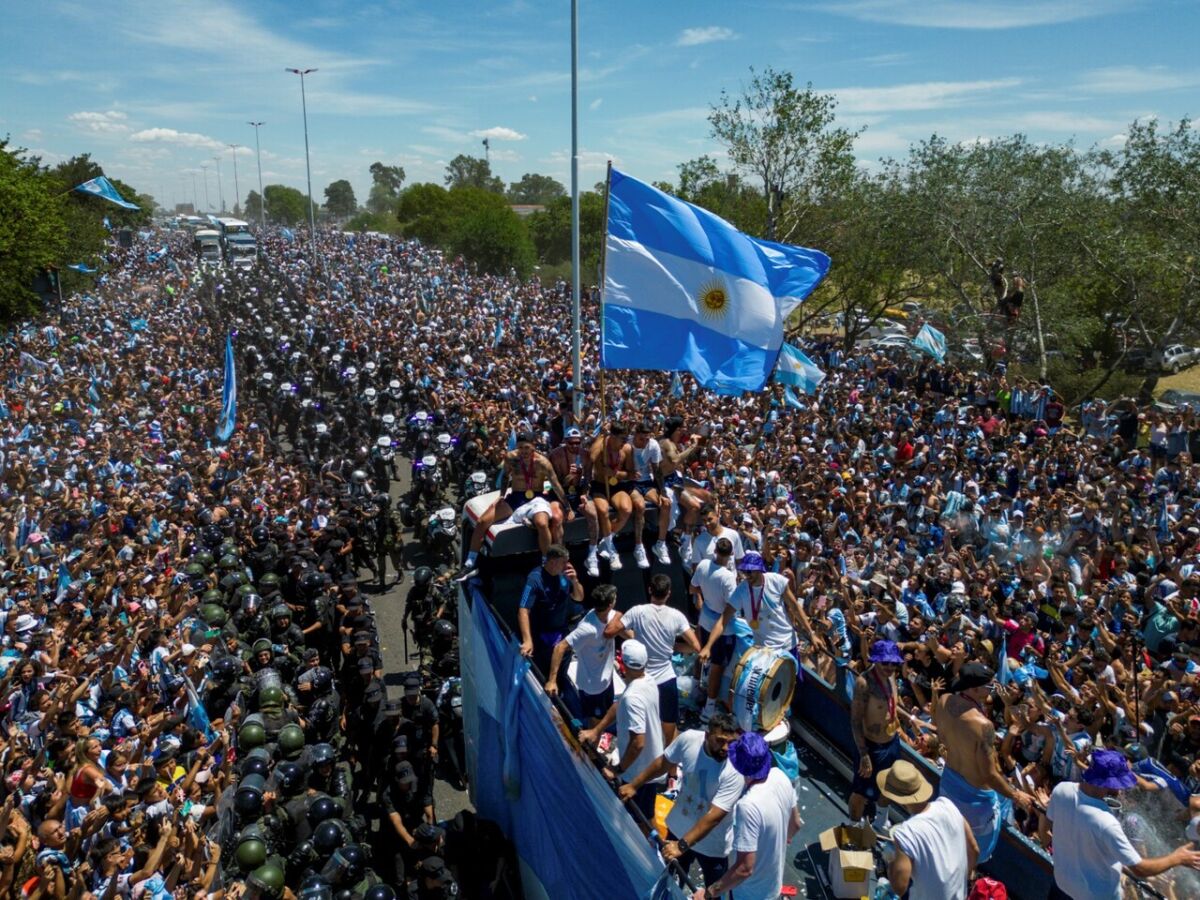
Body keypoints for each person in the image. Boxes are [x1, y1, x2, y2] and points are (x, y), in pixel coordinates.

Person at [1040, 749, 1200, 899]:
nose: (1120, 789)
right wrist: (1177, 858)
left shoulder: (1062, 789)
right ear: (1109, 782)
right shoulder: (1107, 822)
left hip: (1060, 886)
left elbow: (1045, 831)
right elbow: (1140, 869)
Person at [618, 712, 743, 887]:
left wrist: (681, 846)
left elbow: (714, 816)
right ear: (707, 736)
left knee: (714, 892)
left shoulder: (735, 770)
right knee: (669, 882)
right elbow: (663, 763)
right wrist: (634, 785)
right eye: (720, 740)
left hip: (712, 846)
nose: (726, 748)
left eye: (731, 742)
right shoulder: (689, 739)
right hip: (678, 829)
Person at [932, 662, 1034, 863]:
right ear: (974, 689)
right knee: (973, 855)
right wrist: (1016, 795)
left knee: (947, 844)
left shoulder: (943, 700)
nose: (994, 689)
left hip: (949, 782)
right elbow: (989, 774)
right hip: (976, 801)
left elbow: (941, 733)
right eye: (990, 686)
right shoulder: (983, 725)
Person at [692, 733, 800, 900]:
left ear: (738, 766)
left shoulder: (747, 806)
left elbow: (744, 868)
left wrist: (708, 893)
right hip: (773, 887)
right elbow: (795, 824)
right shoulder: (781, 776)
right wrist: (775, 843)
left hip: (749, 894)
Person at [579, 640, 665, 826]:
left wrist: (617, 770)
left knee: (641, 820)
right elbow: (619, 705)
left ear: (624, 664)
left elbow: (638, 743)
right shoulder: (647, 680)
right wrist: (596, 731)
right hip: (649, 764)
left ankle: (652, 853)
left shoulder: (633, 698)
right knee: (644, 813)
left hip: (638, 772)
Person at [464, 431, 571, 568]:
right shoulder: (511, 458)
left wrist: (567, 506)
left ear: (533, 446)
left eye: (526, 447)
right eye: (520, 447)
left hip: (537, 498)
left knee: (542, 524)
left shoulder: (543, 462)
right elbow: (504, 478)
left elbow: (556, 485)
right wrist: (501, 496)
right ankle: (471, 558)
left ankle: (546, 560)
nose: (523, 451)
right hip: (516, 497)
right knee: (482, 521)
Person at [878, 760, 977, 900]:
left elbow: (899, 887)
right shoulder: (948, 805)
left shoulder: (905, 833)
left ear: (898, 799)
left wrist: (892, 863)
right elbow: (974, 849)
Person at [623, 573, 701, 747]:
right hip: (666, 679)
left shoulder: (637, 611)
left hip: (641, 679)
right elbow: (696, 647)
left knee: (639, 724)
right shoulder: (677, 616)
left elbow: (614, 628)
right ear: (669, 593)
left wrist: (634, 640)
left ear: (650, 590)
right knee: (669, 725)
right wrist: (674, 648)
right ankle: (671, 771)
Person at [705, 551, 819, 659]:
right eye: (744, 571)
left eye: (750, 571)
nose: (746, 575)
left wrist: (811, 633)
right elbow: (723, 620)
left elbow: (795, 607)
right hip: (763, 649)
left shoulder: (776, 580)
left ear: (759, 569)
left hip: (788, 644)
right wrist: (708, 646)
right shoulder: (741, 590)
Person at [546, 584, 625, 726]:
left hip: (607, 679)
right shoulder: (587, 629)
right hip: (592, 686)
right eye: (615, 598)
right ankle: (592, 744)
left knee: (607, 714)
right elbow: (560, 647)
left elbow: (622, 628)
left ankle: (601, 734)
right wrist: (552, 680)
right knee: (595, 722)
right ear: (609, 604)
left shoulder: (612, 616)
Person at [850, 640, 904, 834]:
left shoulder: (892, 677)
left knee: (888, 785)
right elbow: (855, 721)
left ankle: (881, 822)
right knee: (861, 792)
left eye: (893, 663)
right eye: (885, 663)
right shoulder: (864, 683)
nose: (890, 667)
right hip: (871, 747)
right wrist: (864, 754)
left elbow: (892, 706)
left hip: (891, 743)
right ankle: (854, 827)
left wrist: (911, 720)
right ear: (876, 661)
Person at [518, 545, 584, 680]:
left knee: (561, 672)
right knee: (543, 673)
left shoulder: (565, 576)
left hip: (561, 631)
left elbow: (579, 597)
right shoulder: (535, 579)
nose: (567, 565)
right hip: (541, 635)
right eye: (564, 562)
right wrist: (527, 640)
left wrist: (575, 581)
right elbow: (523, 609)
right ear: (553, 562)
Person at [691, 537, 738, 723]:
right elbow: (731, 606)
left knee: (701, 654)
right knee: (717, 668)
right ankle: (709, 709)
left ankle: (695, 690)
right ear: (731, 555)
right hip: (723, 628)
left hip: (704, 620)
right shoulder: (728, 577)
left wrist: (705, 597)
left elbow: (692, 588)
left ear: (715, 551)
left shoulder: (702, 564)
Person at [548, 426, 601, 575]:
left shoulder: (586, 455)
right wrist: (568, 508)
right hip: (560, 493)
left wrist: (585, 493)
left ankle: (592, 554)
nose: (575, 446)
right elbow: (556, 485)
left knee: (592, 512)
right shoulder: (555, 455)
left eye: (578, 442)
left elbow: (588, 479)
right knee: (557, 518)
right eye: (571, 443)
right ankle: (560, 557)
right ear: (565, 442)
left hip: (577, 491)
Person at [588, 421, 638, 570]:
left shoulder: (627, 449)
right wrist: (601, 435)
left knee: (626, 509)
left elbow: (631, 475)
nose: (625, 442)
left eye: (626, 438)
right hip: (599, 486)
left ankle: (607, 540)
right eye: (622, 438)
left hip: (617, 486)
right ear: (613, 437)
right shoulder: (602, 445)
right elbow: (591, 457)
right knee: (603, 511)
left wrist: (615, 473)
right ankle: (612, 550)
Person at [630, 420, 672, 567]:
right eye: (642, 438)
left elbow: (657, 470)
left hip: (647, 482)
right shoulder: (627, 444)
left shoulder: (653, 445)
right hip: (631, 483)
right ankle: (638, 546)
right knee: (640, 506)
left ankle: (660, 543)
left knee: (666, 504)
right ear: (635, 435)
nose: (645, 442)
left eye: (647, 438)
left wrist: (663, 492)